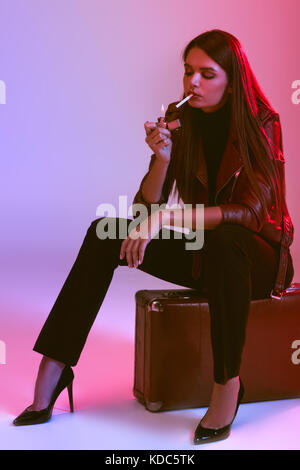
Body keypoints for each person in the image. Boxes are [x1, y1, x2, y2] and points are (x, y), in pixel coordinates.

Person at [13, 29, 294, 445]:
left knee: (225, 241)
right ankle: (56, 365)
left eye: (206, 74)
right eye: (188, 72)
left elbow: (250, 214)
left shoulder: (263, 124)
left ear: (232, 80)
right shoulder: (181, 124)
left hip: (256, 260)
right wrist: (162, 160)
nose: (192, 83)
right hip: (207, 255)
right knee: (105, 232)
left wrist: (167, 217)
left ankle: (228, 386)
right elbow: (144, 213)